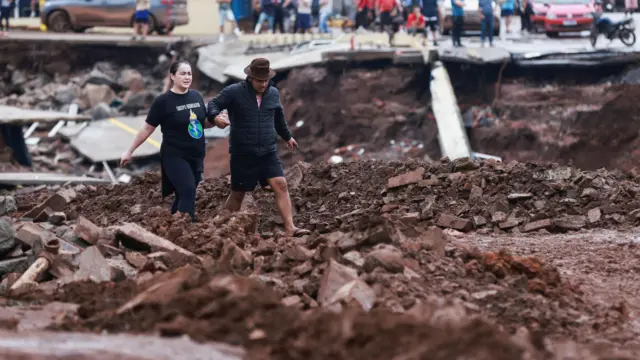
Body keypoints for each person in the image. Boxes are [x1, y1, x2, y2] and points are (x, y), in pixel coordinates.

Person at [206, 58, 311, 237]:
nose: (263, 84)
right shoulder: (234, 92)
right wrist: (216, 118)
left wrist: (287, 136)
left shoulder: (273, 94)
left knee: (281, 185)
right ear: (250, 78)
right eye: (259, 80)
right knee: (238, 193)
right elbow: (213, 105)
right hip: (243, 153)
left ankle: (290, 228)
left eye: (266, 80)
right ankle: (219, 228)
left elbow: (278, 118)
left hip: (268, 152)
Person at [120, 61, 210, 222]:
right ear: (172, 76)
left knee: (183, 193)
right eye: (183, 73)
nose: (187, 77)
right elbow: (147, 128)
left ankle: (171, 225)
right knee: (188, 191)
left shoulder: (196, 96)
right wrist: (130, 150)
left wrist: (219, 121)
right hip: (175, 155)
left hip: (196, 155)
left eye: (189, 73)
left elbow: (201, 124)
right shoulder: (163, 101)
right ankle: (185, 228)